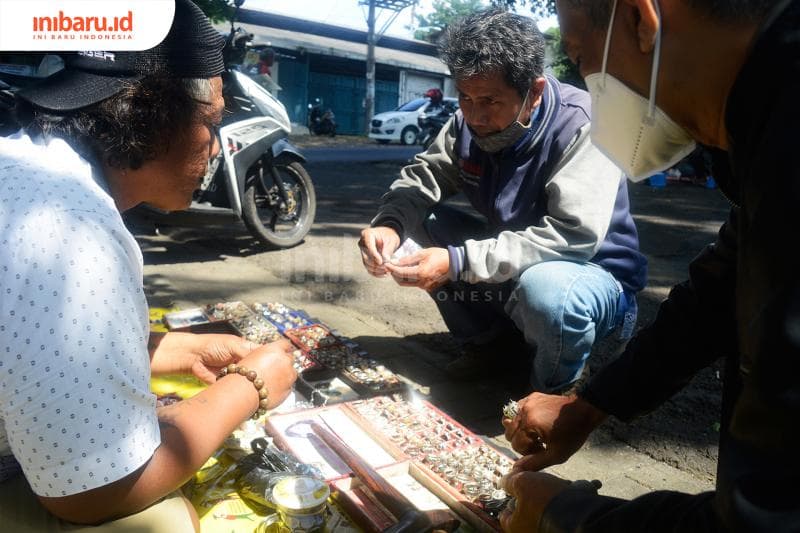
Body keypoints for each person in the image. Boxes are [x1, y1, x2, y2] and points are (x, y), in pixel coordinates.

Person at [500, 0, 800, 531]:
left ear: (641, 20)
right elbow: (718, 291)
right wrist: (589, 404)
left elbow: (770, 517)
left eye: (579, 55)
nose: (586, 84)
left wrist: (568, 515)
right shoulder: (769, 128)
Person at [0, 0, 297, 529]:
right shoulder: (71, 230)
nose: (214, 147)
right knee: (167, 521)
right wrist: (250, 385)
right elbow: (92, 492)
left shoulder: (28, 166)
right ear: (155, 114)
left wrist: (182, 349)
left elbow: (33, 337)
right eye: (211, 122)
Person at [358, 8, 647, 393]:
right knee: (425, 224)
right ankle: (491, 347)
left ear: (535, 91)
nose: (475, 116)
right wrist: (389, 224)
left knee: (547, 293)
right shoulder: (466, 122)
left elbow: (573, 235)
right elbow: (423, 178)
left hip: (590, 275)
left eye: (490, 101)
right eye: (465, 97)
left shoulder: (584, 123)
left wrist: (457, 261)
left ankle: (554, 391)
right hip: (518, 263)